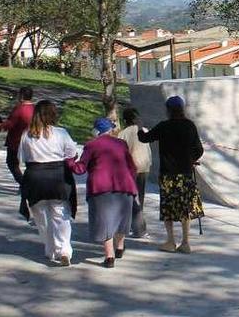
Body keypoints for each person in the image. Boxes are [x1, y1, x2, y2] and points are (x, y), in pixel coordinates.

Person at [66, 118, 138, 268]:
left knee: (105, 220)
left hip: (100, 186)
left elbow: (80, 169)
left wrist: (70, 160)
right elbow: (132, 166)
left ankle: (109, 256)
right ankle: (120, 248)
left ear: (96, 130)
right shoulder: (121, 143)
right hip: (124, 184)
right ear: (110, 130)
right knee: (122, 218)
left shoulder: (91, 145)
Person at [138, 96, 205, 254]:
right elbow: (199, 150)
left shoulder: (164, 126)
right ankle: (186, 242)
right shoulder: (189, 126)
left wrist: (140, 127)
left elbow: (144, 138)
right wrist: (190, 160)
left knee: (168, 207)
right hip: (186, 173)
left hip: (168, 174)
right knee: (185, 207)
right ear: (182, 109)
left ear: (168, 110)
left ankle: (171, 241)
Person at [19, 100, 78, 266]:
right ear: (53, 115)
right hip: (57, 176)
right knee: (61, 214)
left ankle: (50, 248)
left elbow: (22, 158)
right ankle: (64, 249)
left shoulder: (27, 134)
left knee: (41, 215)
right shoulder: (61, 133)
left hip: (35, 176)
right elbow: (71, 153)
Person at [117, 108, 152, 238]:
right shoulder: (144, 130)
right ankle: (138, 224)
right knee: (140, 197)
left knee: (130, 197)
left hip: (130, 168)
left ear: (125, 119)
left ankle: (136, 226)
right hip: (144, 166)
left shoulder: (123, 134)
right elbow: (147, 149)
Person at [0, 87, 34, 184]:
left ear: (21, 96)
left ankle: (23, 183)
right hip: (32, 140)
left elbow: (10, 123)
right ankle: (30, 182)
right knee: (30, 164)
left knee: (12, 163)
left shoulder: (19, 109)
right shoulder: (35, 109)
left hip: (16, 141)